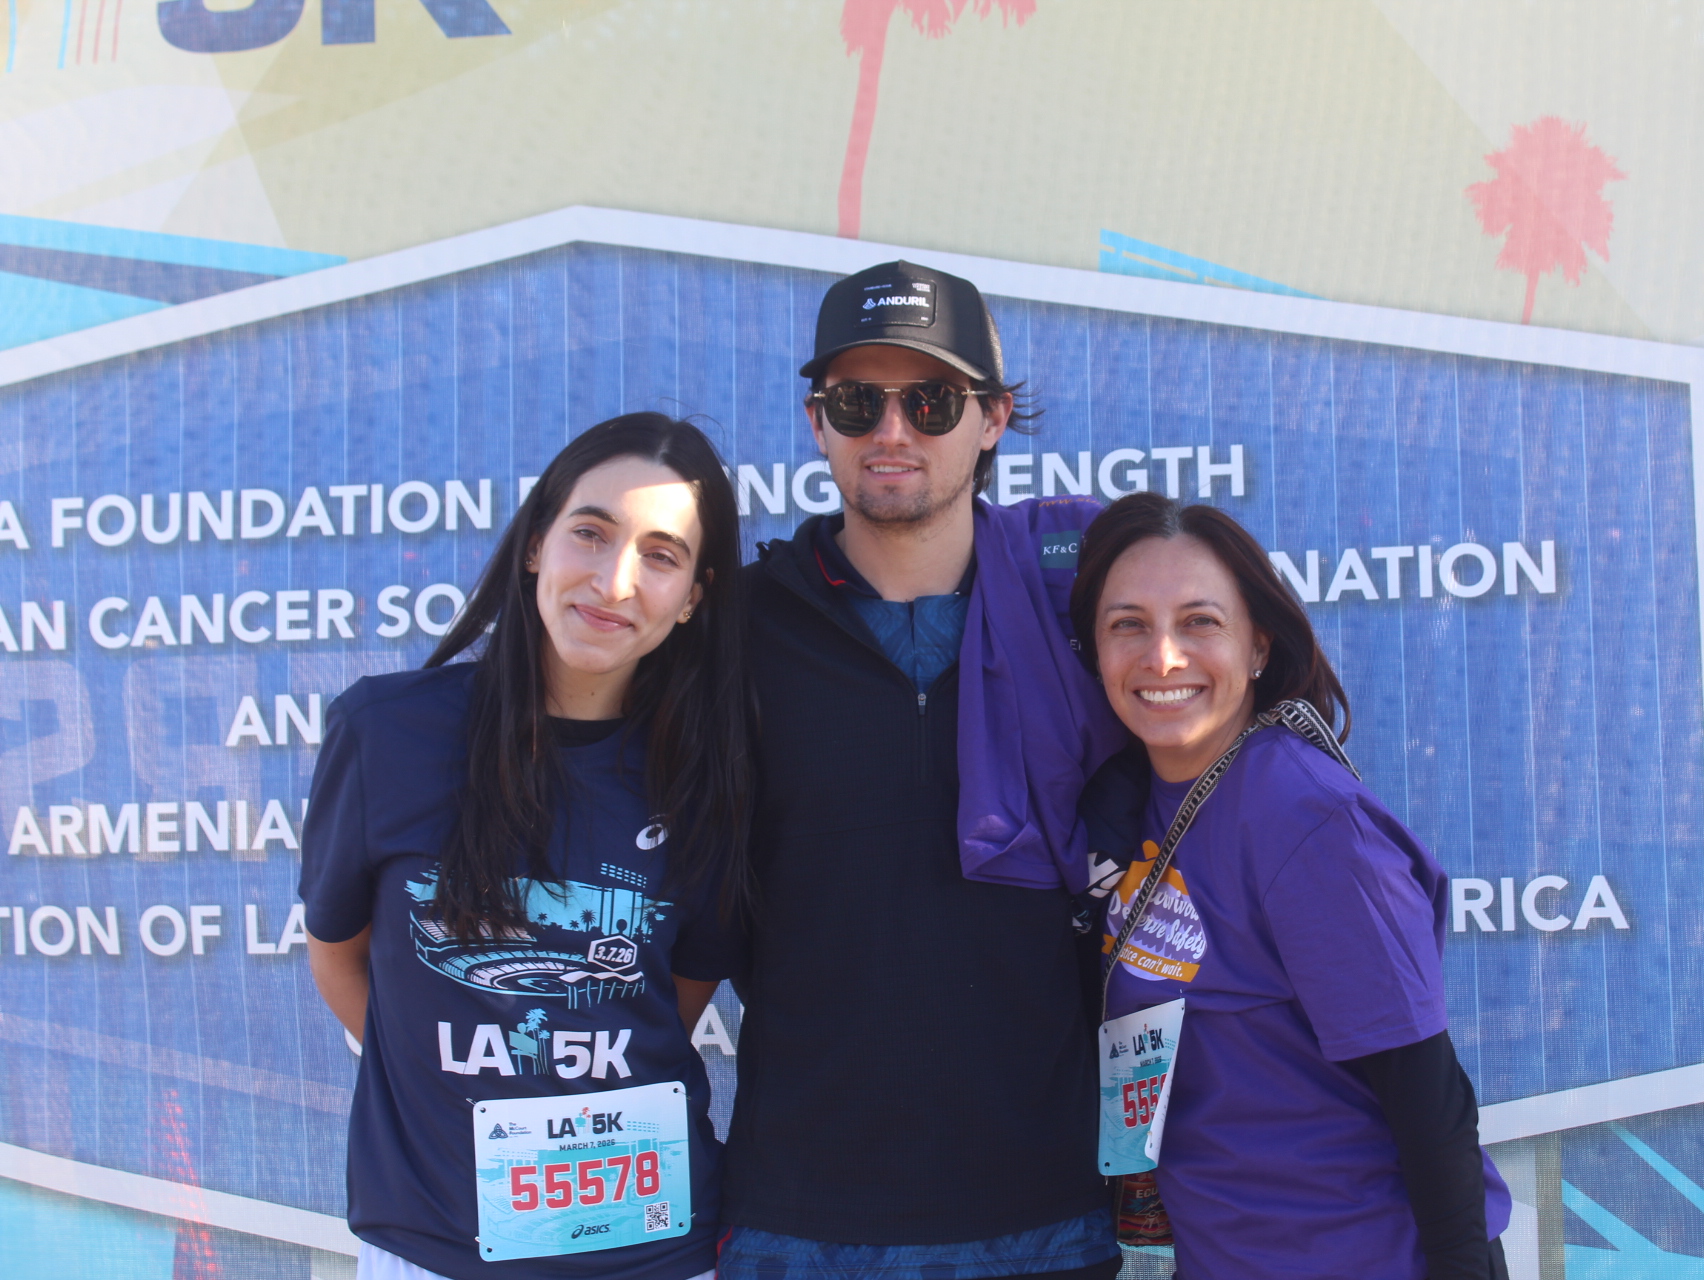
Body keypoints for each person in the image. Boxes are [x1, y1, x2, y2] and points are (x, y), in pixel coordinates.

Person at [718, 261, 1123, 1280]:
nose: (892, 430)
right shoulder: (737, 630)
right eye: (858, 402)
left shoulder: (1085, 615)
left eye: (931, 400)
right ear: (818, 422)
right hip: (796, 1220)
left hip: (1048, 1209)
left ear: (993, 418)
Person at [302, 414, 752, 1280]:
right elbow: (338, 957)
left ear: (694, 596)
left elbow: (675, 1002)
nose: (615, 581)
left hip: (653, 1249)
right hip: (434, 1248)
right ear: (537, 542)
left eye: (661, 555)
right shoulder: (386, 734)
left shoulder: (710, 776)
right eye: (592, 533)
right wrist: (462, 1092)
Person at [1069, 492, 1513, 1280]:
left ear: (1258, 646)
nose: (1162, 657)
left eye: (1200, 622)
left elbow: (1427, 1093)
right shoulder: (1136, 803)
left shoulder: (1306, 818)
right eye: (1127, 625)